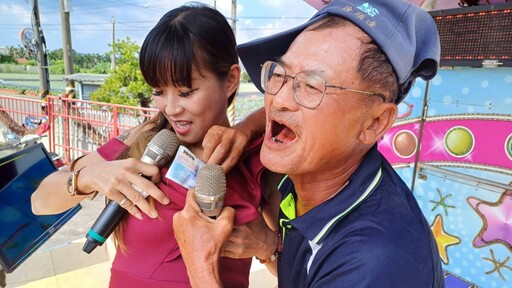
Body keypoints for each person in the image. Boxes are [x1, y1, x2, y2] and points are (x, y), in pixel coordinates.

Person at [173, 0, 446, 287]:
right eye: (278, 74)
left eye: (313, 86)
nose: (278, 99)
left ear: (374, 123)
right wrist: (244, 130)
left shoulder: (377, 263)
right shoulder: (303, 181)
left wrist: (201, 265)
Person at [31, 3, 276, 287]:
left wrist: (268, 245)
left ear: (231, 80)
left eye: (186, 92)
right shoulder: (147, 138)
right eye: (158, 91)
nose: (170, 109)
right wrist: (88, 178)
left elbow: (299, 270)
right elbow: (39, 202)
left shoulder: (260, 157)